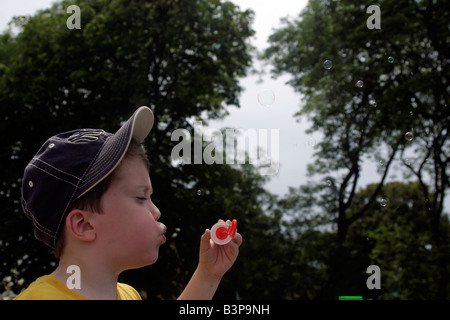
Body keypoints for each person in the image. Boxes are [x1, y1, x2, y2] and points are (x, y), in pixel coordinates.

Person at [14, 106, 242, 300]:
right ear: (85, 225)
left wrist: (208, 274)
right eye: (141, 197)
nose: (156, 211)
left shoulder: (127, 294)